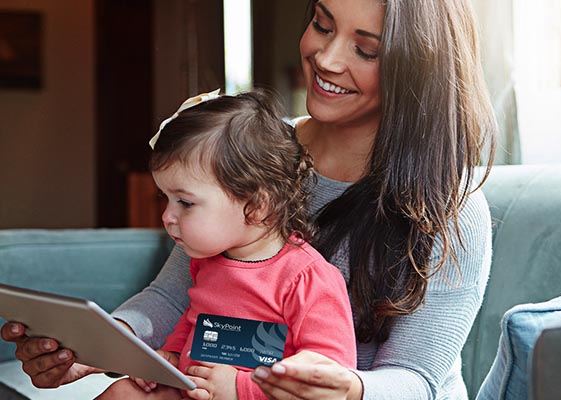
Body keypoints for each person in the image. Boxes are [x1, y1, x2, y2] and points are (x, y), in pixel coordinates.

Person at [2, 0, 497, 399]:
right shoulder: (259, 154)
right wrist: (101, 344)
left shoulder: (447, 205)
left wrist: (349, 388)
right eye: (322, 25)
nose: (326, 59)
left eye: (366, 50)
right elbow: (176, 295)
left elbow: (419, 378)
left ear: (416, 71)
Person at [99, 89, 356, 399]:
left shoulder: (307, 279)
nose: (168, 216)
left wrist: (241, 388)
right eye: (165, 199)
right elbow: (195, 322)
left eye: (185, 202)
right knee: (121, 392)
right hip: (195, 391)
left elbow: (327, 375)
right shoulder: (206, 263)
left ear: (258, 206)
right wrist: (170, 355)